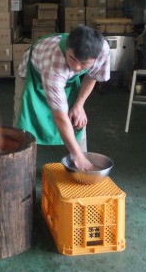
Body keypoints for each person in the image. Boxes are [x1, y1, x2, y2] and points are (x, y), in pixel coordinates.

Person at [13, 25, 110, 171]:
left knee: (77, 118)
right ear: (67, 50)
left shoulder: (102, 50)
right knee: (24, 123)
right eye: (72, 58)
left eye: (84, 64)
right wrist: (77, 156)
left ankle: (80, 167)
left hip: (64, 78)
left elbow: (93, 75)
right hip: (32, 77)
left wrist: (79, 105)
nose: (77, 68)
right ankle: (18, 170)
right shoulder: (54, 64)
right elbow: (59, 116)